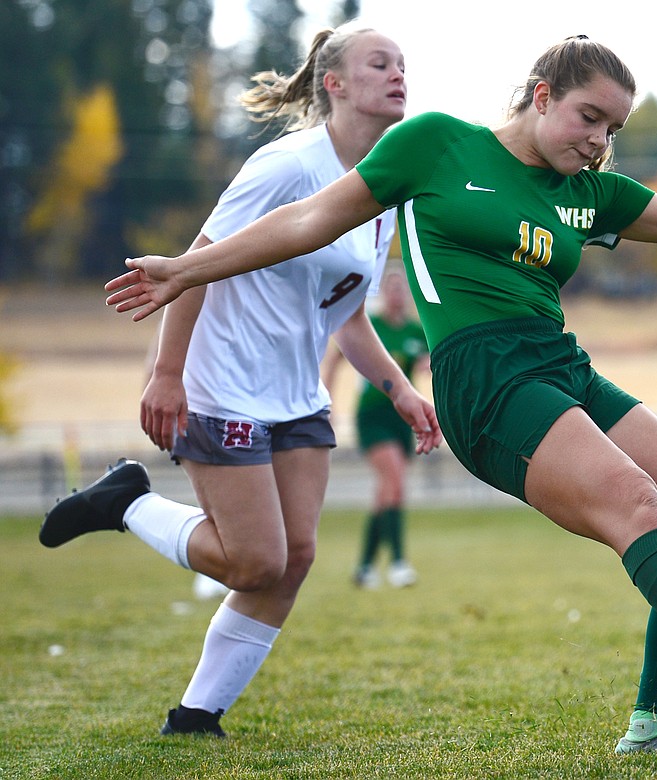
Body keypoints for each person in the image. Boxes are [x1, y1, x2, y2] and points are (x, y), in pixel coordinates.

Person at [103, 36, 657, 753]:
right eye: (588, 116)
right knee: (636, 503)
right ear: (539, 94)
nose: (598, 141)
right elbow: (303, 222)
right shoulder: (436, 144)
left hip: (561, 369)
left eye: (614, 128)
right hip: (485, 384)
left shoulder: (588, 194)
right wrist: (185, 271)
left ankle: (653, 729)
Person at [40, 22, 440, 738]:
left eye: (403, 63)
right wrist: (166, 374)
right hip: (219, 382)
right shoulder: (288, 165)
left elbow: (348, 317)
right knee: (255, 560)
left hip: (297, 398)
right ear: (335, 83)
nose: (398, 73)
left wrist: (400, 390)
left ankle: (197, 716)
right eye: (380, 63)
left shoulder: (382, 191)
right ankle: (127, 503)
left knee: (296, 558)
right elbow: (195, 262)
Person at [322, 265, 429, 589]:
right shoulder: (371, 326)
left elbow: (427, 363)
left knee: (389, 491)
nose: (398, 294)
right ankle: (398, 563)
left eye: (402, 288)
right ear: (383, 293)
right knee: (393, 480)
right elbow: (335, 357)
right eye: (392, 288)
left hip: (402, 419)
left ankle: (365, 568)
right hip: (372, 415)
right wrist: (326, 401)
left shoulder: (414, 331)